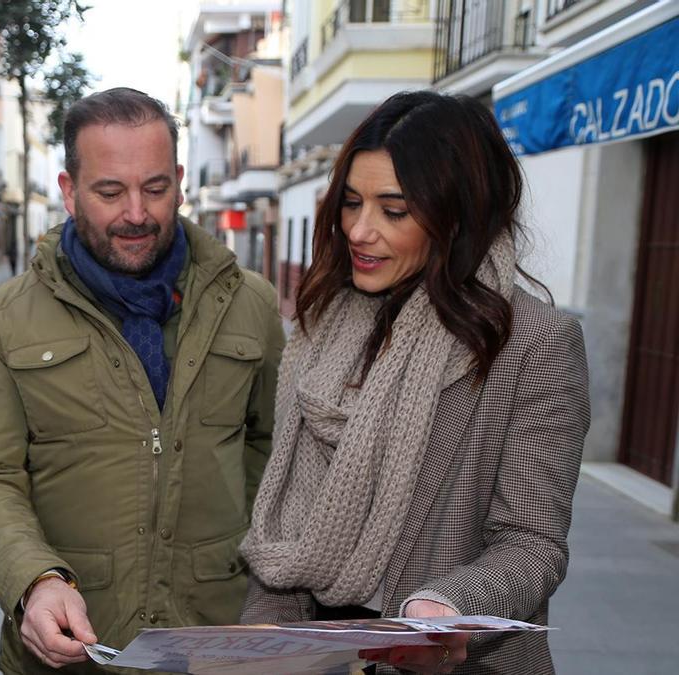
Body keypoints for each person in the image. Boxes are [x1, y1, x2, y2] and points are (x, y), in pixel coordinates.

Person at [237, 90, 590, 674]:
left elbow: (533, 543)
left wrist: (446, 610)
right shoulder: (326, 326)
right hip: (310, 656)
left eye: (394, 210)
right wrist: (257, 652)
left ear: (460, 215)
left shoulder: (534, 343)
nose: (359, 230)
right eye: (351, 203)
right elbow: (285, 541)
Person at [0, 87, 286, 673]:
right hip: (73, 649)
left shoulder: (251, 303)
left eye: (155, 188)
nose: (136, 213)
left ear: (179, 181)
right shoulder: (3, 318)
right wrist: (35, 579)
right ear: (70, 191)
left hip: (218, 644)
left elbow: (275, 448)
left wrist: (244, 556)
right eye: (110, 192)